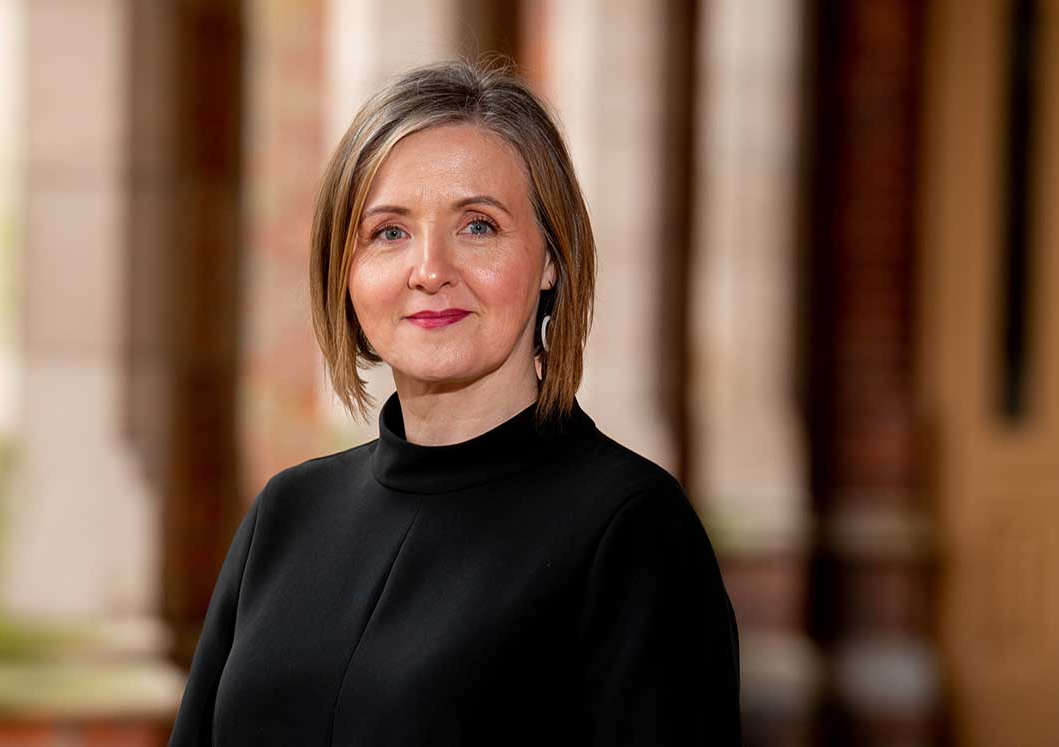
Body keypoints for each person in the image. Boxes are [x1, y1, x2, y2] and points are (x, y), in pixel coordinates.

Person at [170, 60, 739, 746]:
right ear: (344, 273)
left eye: (478, 226)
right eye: (388, 232)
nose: (430, 269)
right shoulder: (286, 515)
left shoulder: (630, 531)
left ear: (551, 258)